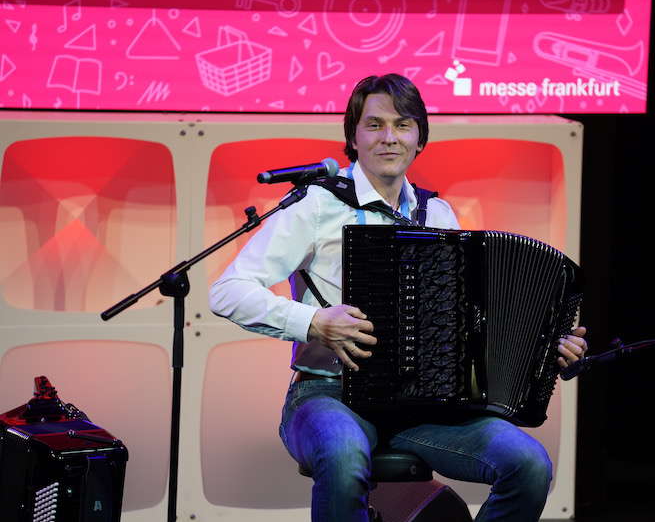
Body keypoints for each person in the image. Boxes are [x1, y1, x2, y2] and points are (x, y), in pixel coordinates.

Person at [209, 73, 588, 522]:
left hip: (422, 407)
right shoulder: (315, 205)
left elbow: (470, 324)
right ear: (353, 135)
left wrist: (544, 352)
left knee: (528, 464)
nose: (389, 138)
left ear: (420, 138)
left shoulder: (439, 213)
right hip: (327, 392)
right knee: (344, 453)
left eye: (403, 125)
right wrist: (314, 323)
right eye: (375, 125)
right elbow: (227, 291)